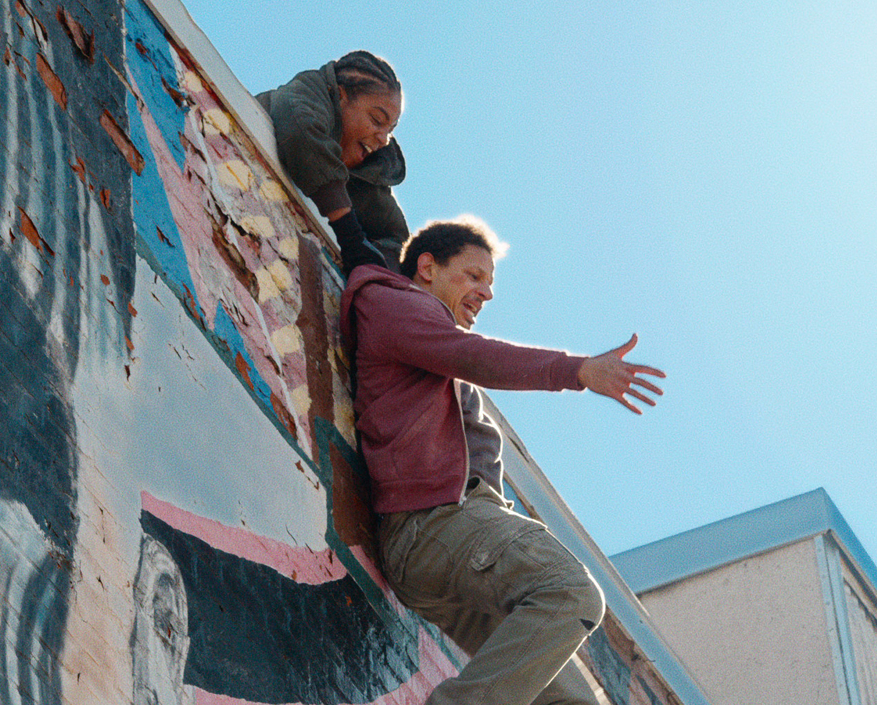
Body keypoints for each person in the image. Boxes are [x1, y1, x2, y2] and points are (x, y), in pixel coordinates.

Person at [340, 218, 666, 705]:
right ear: (426, 267)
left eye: (490, 282)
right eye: (474, 276)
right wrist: (576, 370)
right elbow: (480, 357)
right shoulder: (394, 305)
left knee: (570, 699)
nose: (486, 293)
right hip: (433, 526)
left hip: (452, 551)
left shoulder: (433, 346)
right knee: (570, 591)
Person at [256, 51, 407, 273]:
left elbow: (394, 236)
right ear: (340, 95)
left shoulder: (371, 174)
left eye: (390, 131)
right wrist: (350, 236)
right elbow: (301, 133)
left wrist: (376, 274)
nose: (383, 139)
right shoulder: (305, 93)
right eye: (377, 120)